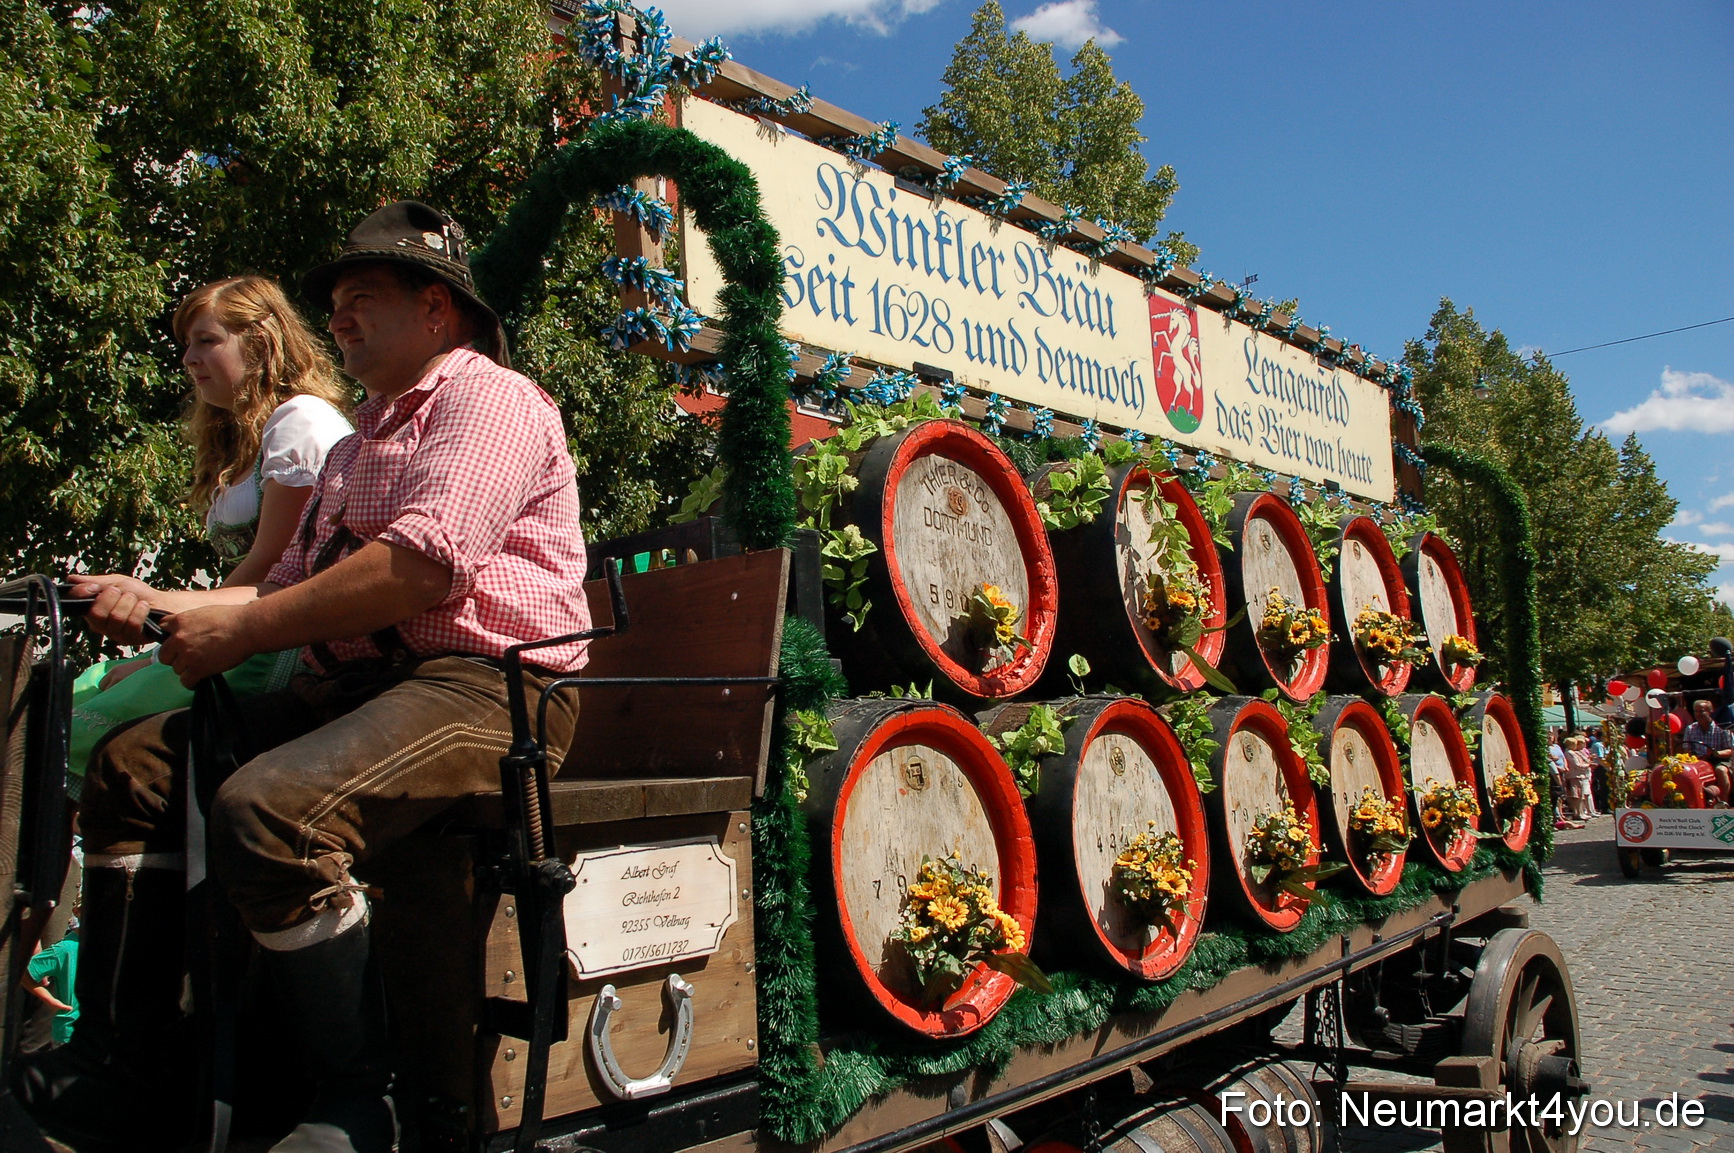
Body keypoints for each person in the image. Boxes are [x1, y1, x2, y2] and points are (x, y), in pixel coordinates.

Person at [18, 202, 590, 1153]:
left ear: (438, 310)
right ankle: (140, 1062)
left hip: (490, 688)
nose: (338, 320)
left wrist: (235, 639)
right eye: (335, 306)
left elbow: (422, 566)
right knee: (131, 766)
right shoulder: (358, 444)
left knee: (268, 810)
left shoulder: (490, 397)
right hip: (372, 689)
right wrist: (153, 606)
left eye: (363, 298)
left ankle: (359, 1101)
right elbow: (274, 591)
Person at [67, 277, 353, 799]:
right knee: (74, 691)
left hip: (272, 643)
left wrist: (161, 642)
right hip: (238, 624)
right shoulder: (247, 438)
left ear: (261, 342)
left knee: (65, 731)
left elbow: (272, 568)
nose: (188, 358)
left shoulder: (300, 421)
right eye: (186, 345)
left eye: (206, 340)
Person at [23, 917, 79, 1048]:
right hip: (68, 1035)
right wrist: (48, 998)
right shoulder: (64, 949)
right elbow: (25, 973)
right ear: (77, 911)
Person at [1682, 697, 1733, 805]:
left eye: (1702, 711)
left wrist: (1717, 753)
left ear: (1710, 712)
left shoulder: (1722, 728)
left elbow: (1731, 750)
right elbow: (1686, 749)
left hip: (1718, 759)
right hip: (1697, 761)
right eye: (1696, 711)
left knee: (1721, 770)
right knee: (1684, 772)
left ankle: (1723, 803)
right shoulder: (1690, 729)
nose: (1698, 714)